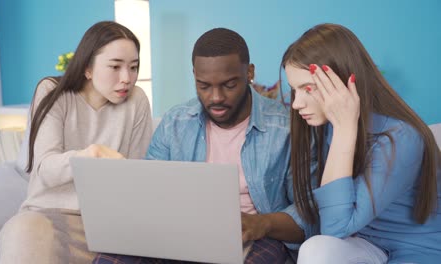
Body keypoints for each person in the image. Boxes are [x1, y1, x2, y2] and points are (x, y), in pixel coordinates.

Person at [93, 28, 314, 264]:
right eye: (204, 86)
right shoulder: (175, 122)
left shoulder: (287, 129)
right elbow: (149, 193)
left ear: (249, 73)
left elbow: (308, 213)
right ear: (194, 75)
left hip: (257, 237)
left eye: (229, 85)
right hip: (179, 235)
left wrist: (263, 223)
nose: (216, 97)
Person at [281, 23, 441, 263]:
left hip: (417, 251)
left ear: (344, 81)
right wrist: (343, 128)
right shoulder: (330, 128)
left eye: (308, 89)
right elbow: (333, 233)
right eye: (295, 91)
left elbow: (335, 227)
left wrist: (345, 129)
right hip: (369, 245)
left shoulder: (402, 138)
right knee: (315, 250)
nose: (296, 104)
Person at [0, 21, 153, 264]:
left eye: (133, 67)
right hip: (47, 216)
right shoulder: (53, 92)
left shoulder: (137, 100)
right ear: (88, 68)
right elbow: (45, 170)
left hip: (108, 224)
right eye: (115, 66)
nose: (127, 78)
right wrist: (90, 155)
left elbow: (136, 175)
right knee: (23, 232)